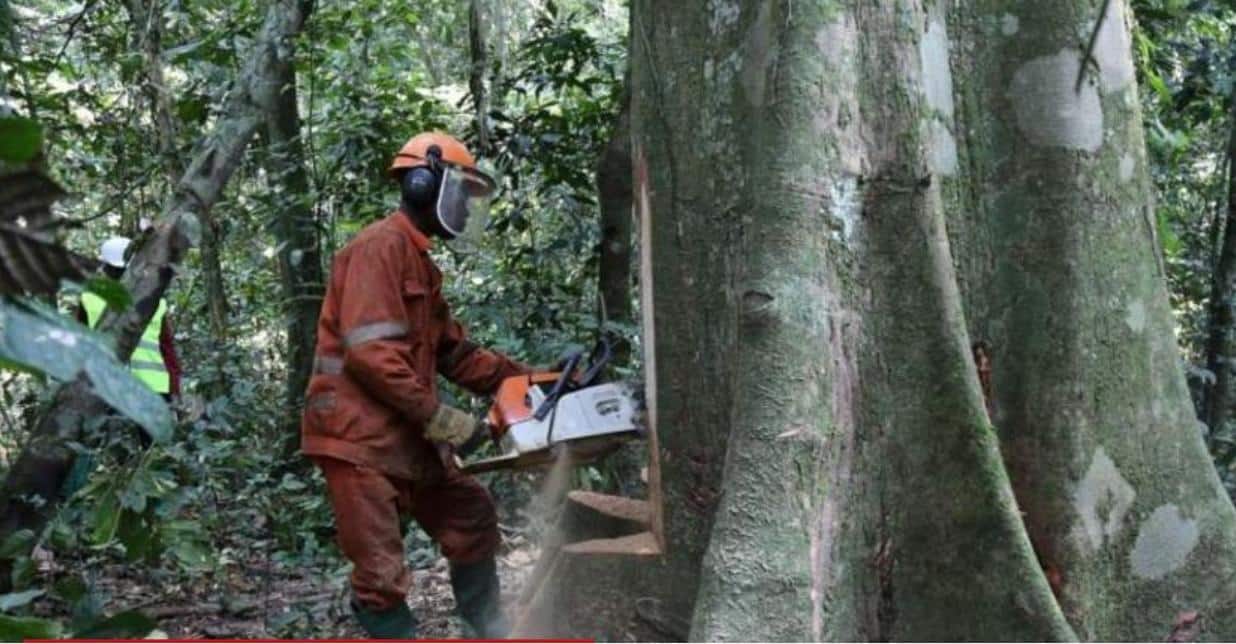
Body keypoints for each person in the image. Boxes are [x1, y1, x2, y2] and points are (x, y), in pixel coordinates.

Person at [302, 132, 529, 639]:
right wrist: (442, 419)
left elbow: (455, 353)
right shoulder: (377, 250)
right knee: (380, 575)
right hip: (358, 437)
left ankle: (493, 629)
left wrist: (528, 381)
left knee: (471, 518)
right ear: (427, 185)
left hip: (406, 433)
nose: (467, 212)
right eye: (463, 198)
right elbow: (371, 356)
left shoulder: (419, 265)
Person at [79, 236, 181, 400]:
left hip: (109, 388)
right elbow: (167, 349)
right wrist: (175, 389)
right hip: (154, 388)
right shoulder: (155, 301)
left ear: (104, 267)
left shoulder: (89, 298)